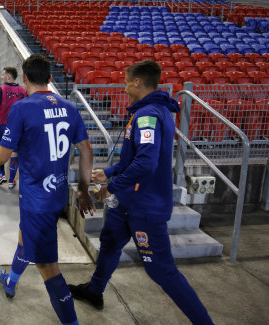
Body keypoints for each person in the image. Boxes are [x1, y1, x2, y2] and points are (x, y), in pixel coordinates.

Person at [68, 60, 214, 325]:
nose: (124, 88)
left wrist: (110, 187)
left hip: (145, 208)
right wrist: (109, 173)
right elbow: (131, 159)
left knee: (161, 270)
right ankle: (94, 290)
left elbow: (146, 163)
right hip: (127, 203)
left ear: (137, 82)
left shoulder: (148, 115)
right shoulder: (147, 112)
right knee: (110, 244)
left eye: (126, 82)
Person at [0, 54, 95, 325]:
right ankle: (10, 281)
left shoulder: (22, 108)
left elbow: (4, 153)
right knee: (25, 237)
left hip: (36, 199)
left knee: (47, 266)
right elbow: (86, 150)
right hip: (56, 195)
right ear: (51, 78)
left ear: (25, 79)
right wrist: (83, 188)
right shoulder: (69, 106)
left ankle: (71, 322)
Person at [0, 66, 27, 189]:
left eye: (3, 75)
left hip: (2, 126)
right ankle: (12, 180)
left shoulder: (0, 90)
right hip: (18, 127)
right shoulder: (23, 91)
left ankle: (2, 175)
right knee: (15, 153)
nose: (1, 77)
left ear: (8, 76)